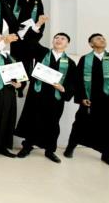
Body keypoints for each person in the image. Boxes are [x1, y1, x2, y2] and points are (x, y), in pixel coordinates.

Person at [63, 33, 109, 167]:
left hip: (108, 102)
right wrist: (82, 97)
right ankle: (70, 147)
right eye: (98, 38)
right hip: (89, 100)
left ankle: (106, 154)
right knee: (80, 125)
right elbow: (78, 80)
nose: (102, 39)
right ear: (91, 44)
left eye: (103, 38)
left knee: (108, 127)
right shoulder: (85, 59)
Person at [15, 16, 76, 163]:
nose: (59, 40)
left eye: (62, 39)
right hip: (37, 94)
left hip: (55, 97)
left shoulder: (71, 63)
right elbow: (30, 41)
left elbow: (73, 83)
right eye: (56, 37)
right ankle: (27, 146)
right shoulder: (42, 53)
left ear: (67, 44)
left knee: (52, 124)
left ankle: (50, 150)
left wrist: (63, 88)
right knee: (32, 120)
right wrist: (39, 24)